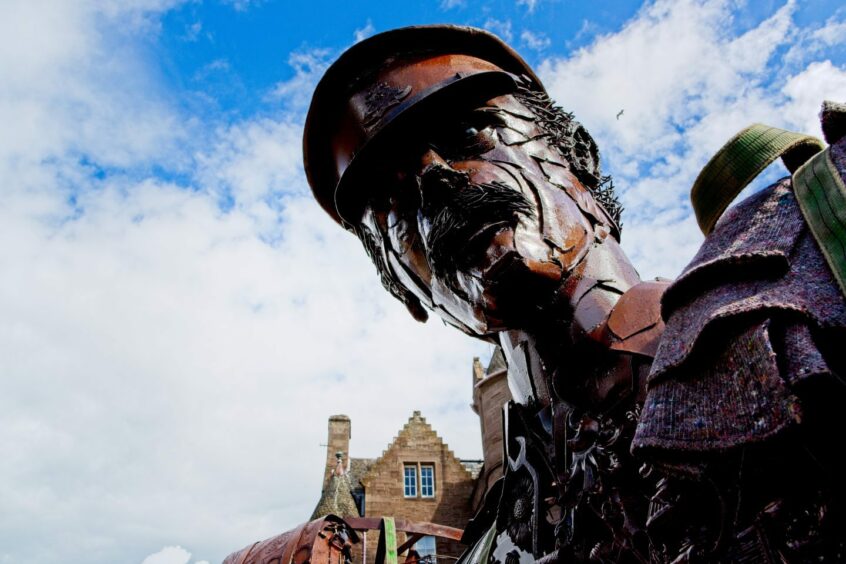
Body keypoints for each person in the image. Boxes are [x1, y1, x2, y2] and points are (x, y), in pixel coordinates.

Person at [303, 25, 846, 562]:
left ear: (577, 155)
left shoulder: (808, 261)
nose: (435, 181)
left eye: (470, 133)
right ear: (404, 290)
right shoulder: (497, 547)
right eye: (393, 204)